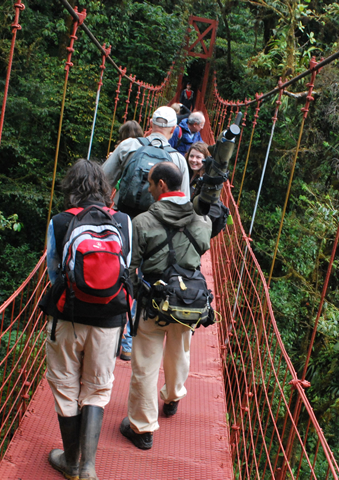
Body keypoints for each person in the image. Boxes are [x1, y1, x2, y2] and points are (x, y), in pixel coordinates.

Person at [43, 159, 132, 480]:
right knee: (96, 389)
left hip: (67, 315)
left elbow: (55, 272)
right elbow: (127, 269)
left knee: (66, 386)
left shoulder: (60, 221)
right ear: (104, 187)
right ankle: (88, 467)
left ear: (71, 188)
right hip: (109, 318)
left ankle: (70, 461)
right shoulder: (123, 220)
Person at [120, 162, 211, 450]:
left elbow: (130, 269)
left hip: (153, 303)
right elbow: (203, 249)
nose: (147, 188)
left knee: (145, 365)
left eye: (149, 182)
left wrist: (138, 296)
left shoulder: (143, 222)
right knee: (180, 351)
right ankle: (172, 397)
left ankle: (143, 429)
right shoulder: (201, 221)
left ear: (161, 185)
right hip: (188, 302)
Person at [102, 106, 190, 217]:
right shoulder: (178, 160)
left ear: (150, 123)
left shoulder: (128, 146)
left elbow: (103, 181)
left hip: (122, 219)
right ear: (174, 129)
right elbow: (183, 202)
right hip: (156, 224)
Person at [114, 120, 144, 363]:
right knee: (136, 282)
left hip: (121, 221)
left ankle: (112, 336)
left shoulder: (123, 151)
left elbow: (105, 179)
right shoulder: (163, 156)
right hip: (147, 228)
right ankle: (128, 343)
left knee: (116, 274)